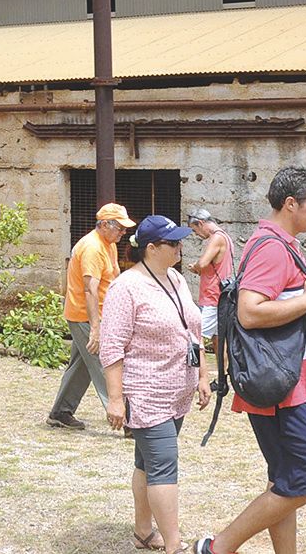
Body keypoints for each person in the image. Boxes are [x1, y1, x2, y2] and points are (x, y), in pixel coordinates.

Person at [193, 167, 306, 554]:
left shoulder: (281, 242)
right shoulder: (272, 246)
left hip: (287, 381)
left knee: (284, 480)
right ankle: (216, 548)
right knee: (304, 481)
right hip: (281, 387)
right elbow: (250, 312)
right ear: (292, 204)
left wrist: (301, 290)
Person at [101, 216, 212, 554]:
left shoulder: (175, 277)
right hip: (148, 394)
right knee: (164, 466)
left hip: (177, 392)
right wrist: (116, 399)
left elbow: (192, 331)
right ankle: (174, 546)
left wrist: (203, 375)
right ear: (151, 249)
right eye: (173, 243)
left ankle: (142, 530)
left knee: (146, 463)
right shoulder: (126, 287)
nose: (181, 247)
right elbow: (111, 346)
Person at [47, 202, 135, 429]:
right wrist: (95, 328)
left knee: (82, 365)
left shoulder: (109, 244)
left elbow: (114, 279)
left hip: (100, 315)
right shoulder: (92, 248)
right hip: (84, 316)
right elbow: (90, 290)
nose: (124, 233)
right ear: (105, 224)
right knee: (105, 363)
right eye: (120, 228)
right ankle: (127, 421)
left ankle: (60, 412)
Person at [185, 208, 234, 343]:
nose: (196, 235)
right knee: (219, 341)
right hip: (220, 296)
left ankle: (199, 365)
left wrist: (195, 266)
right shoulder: (225, 236)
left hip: (212, 297)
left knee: (196, 340)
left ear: (200, 223)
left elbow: (203, 263)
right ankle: (222, 366)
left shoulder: (217, 238)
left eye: (195, 230)